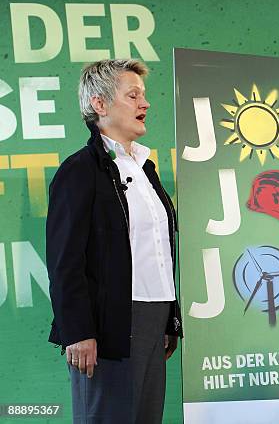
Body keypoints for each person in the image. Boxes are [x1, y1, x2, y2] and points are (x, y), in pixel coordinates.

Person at [47, 59, 183, 423]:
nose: (145, 103)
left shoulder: (145, 169)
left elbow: (156, 252)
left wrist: (170, 319)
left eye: (144, 95)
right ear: (100, 104)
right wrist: (78, 331)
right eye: (133, 95)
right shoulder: (79, 171)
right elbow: (65, 261)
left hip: (153, 317)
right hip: (108, 324)